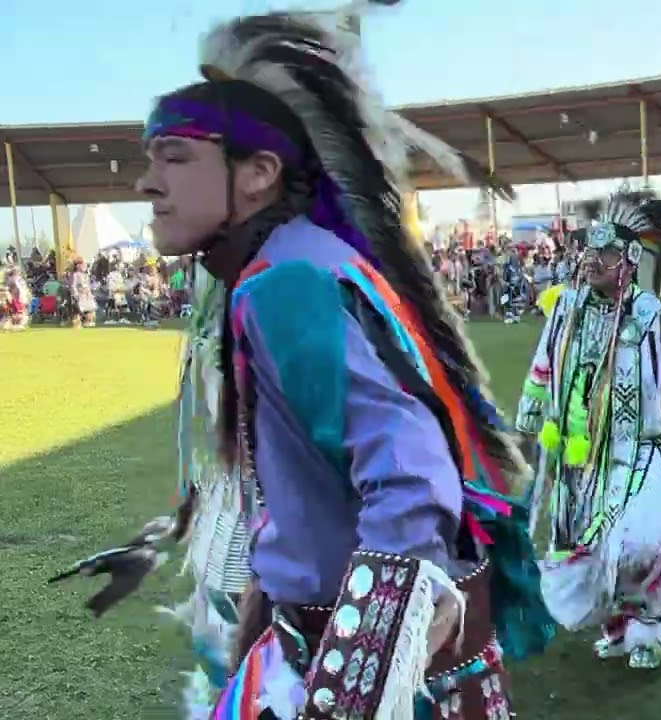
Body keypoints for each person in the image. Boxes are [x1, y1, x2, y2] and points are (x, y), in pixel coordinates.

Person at [50, 8, 554, 718]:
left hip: (372, 668)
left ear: (258, 174)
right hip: (321, 641)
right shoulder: (288, 265)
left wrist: (353, 687)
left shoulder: (287, 282)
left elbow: (411, 478)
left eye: (176, 156)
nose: (146, 183)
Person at [516, 191, 661, 670]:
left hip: (636, 451)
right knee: (592, 542)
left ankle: (651, 631)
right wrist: (526, 424)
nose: (591, 261)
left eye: (604, 254)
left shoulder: (651, 317)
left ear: (628, 261)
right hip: (578, 455)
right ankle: (620, 627)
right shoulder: (566, 310)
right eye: (589, 252)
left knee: (637, 546)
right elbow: (542, 370)